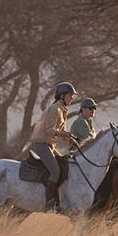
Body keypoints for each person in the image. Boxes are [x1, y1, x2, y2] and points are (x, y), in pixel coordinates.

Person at [30, 82, 79, 212]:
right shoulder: (54, 109)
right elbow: (49, 130)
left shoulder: (63, 110)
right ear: (61, 95)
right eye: (70, 95)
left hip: (50, 145)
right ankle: (49, 203)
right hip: (42, 145)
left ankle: (59, 200)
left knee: (64, 165)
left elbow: (61, 132)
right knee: (56, 171)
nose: (72, 98)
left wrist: (70, 139)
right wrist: (64, 134)